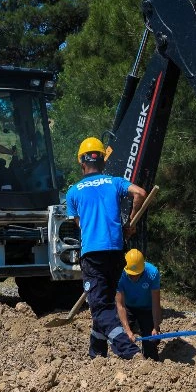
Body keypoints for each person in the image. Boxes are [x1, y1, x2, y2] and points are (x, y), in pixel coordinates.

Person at [66, 137, 146, 360]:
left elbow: (80, 224)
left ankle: (128, 351)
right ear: (103, 160)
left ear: (82, 162)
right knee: (110, 302)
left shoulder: (73, 192)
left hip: (92, 255)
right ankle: (97, 353)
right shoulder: (114, 182)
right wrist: (130, 223)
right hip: (116, 252)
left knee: (100, 308)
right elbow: (140, 193)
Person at [115, 249, 162, 361]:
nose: (134, 278)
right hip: (128, 308)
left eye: (137, 275)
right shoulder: (120, 275)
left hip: (147, 308)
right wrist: (128, 331)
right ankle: (125, 360)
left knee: (150, 341)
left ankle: (150, 359)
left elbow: (156, 303)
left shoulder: (152, 273)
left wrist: (155, 327)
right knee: (123, 337)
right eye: (131, 275)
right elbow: (120, 305)